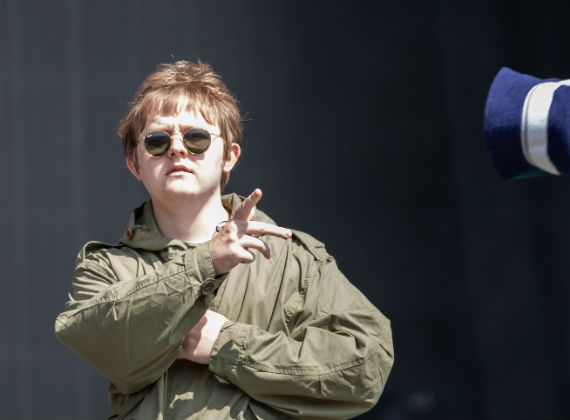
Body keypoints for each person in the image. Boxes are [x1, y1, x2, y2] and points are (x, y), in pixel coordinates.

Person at [55, 60, 394, 420]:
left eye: (195, 137)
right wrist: (206, 262)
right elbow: (101, 342)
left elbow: (365, 368)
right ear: (134, 164)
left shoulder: (291, 260)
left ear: (229, 156)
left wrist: (225, 344)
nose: (177, 149)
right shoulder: (106, 269)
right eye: (157, 141)